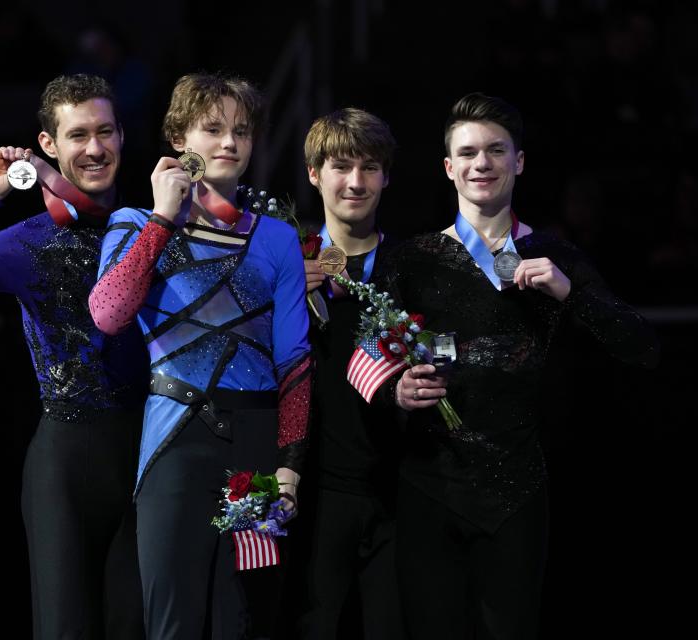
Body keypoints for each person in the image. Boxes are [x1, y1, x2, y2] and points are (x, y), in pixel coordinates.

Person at [373, 93, 660, 639]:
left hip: (519, 493)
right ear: (449, 168)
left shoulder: (553, 258)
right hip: (428, 489)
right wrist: (397, 392)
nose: (482, 163)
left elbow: (642, 347)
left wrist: (568, 292)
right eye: (469, 152)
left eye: (496, 151)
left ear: (519, 162)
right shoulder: (409, 262)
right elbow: (371, 363)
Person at [0, 74, 146, 639]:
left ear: (121, 135)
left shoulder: (148, 229)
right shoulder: (23, 241)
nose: (94, 149)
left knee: (138, 626)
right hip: (64, 462)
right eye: (78, 135)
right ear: (48, 146)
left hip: (147, 452)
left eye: (105, 131)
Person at [87, 72, 311, 640]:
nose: (229, 143)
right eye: (212, 129)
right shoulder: (135, 224)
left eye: (241, 130)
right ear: (178, 138)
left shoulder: (278, 238)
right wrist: (164, 216)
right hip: (176, 438)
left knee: (242, 620)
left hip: (256, 446)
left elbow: (295, 362)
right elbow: (109, 314)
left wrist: (288, 467)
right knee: (172, 621)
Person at [281, 108, 404, 639]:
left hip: (398, 493)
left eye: (370, 167)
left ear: (386, 176)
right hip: (314, 494)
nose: (356, 182)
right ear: (314, 173)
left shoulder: (410, 268)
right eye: (340, 166)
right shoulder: (285, 266)